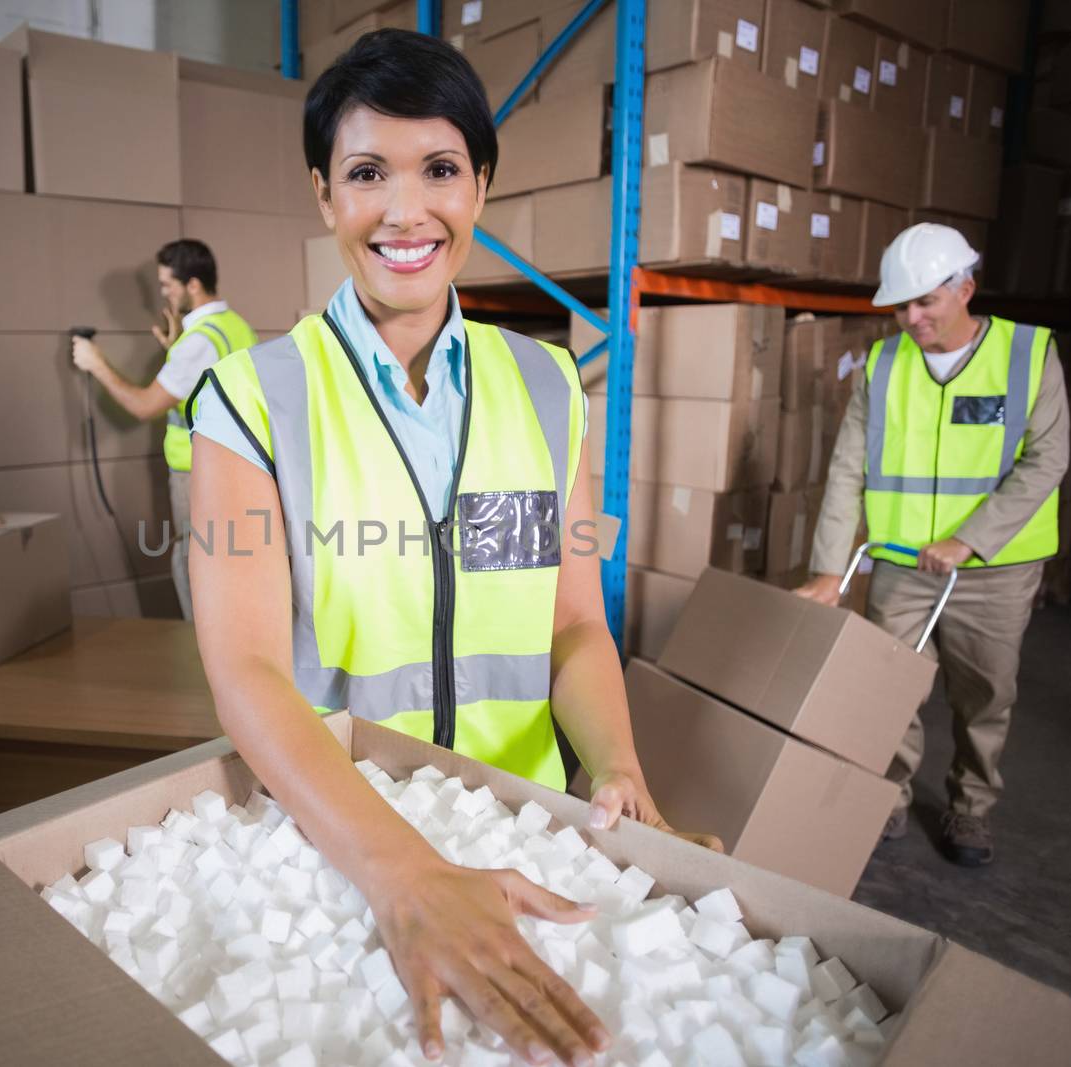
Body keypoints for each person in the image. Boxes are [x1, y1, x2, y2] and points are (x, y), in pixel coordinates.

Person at [187, 30, 718, 1066]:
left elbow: (571, 622)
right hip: (342, 840)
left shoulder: (547, 386)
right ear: (323, 194)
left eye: (439, 169)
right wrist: (400, 872)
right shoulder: (252, 397)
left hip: (523, 822)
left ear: (480, 185)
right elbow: (243, 669)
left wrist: (616, 767)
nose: (404, 210)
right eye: (366, 173)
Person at [796, 223, 1069, 868]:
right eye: (901, 305)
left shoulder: (1028, 355)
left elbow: (1048, 460)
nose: (911, 318)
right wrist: (830, 570)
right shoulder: (884, 365)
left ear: (965, 288)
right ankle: (885, 798)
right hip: (900, 562)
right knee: (889, 691)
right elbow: (847, 469)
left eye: (925, 302)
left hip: (997, 569)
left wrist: (969, 540)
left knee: (984, 694)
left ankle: (971, 808)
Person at [72, 239, 257, 620]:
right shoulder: (233, 327)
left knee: (194, 567)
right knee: (225, 564)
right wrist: (177, 347)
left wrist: (97, 363)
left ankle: (202, 662)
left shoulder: (198, 344)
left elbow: (143, 406)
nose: (163, 293)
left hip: (197, 473)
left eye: (166, 284)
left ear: (192, 285)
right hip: (235, 468)